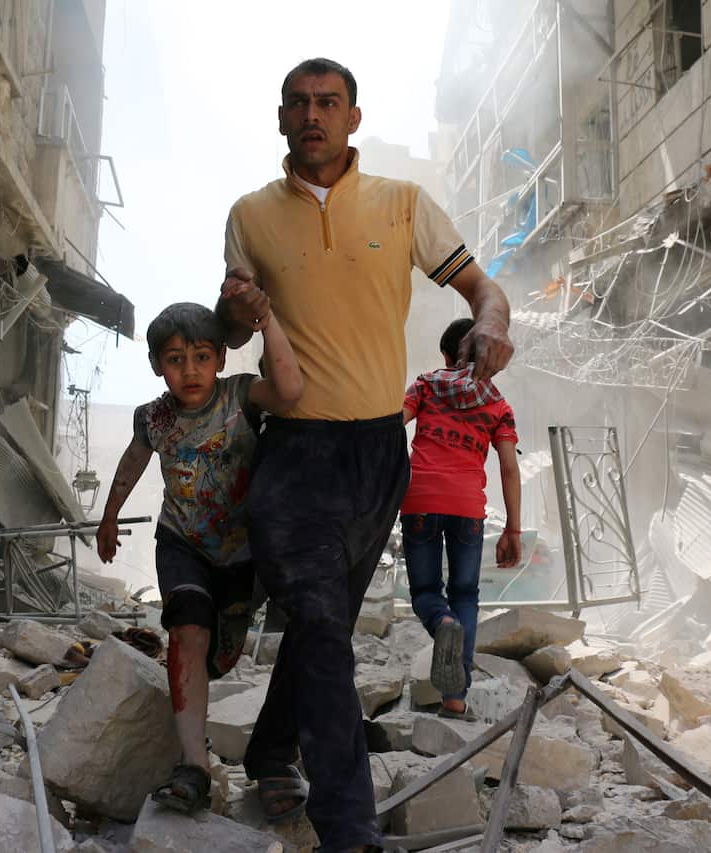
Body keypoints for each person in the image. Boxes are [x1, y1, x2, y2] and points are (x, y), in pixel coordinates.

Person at [215, 57, 514, 852]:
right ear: (281, 118)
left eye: (328, 102)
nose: (312, 114)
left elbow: (483, 290)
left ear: (353, 117)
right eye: (298, 103)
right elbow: (235, 328)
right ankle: (349, 828)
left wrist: (491, 323)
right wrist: (235, 307)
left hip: (380, 454)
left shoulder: (403, 203)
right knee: (321, 626)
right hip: (294, 454)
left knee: (326, 630)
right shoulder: (250, 215)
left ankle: (270, 749)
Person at [96, 301, 303, 813]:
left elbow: (288, 390)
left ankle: (214, 675)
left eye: (202, 357)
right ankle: (193, 766)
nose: (189, 371)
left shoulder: (242, 397)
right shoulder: (154, 417)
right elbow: (133, 461)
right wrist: (109, 516)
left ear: (220, 359)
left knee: (220, 655)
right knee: (187, 631)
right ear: (156, 365)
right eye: (175, 359)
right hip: (181, 541)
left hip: (242, 553)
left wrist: (266, 321)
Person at [401, 318, 522, 720]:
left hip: (419, 500)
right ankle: (455, 698)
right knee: (465, 594)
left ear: (446, 355)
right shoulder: (499, 406)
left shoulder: (426, 385)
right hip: (468, 508)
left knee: (425, 592)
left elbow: (389, 426)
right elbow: (509, 469)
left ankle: (442, 623)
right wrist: (513, 529)